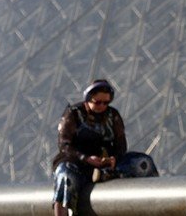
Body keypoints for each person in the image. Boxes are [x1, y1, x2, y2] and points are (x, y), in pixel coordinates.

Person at [51, 79, 157, 216]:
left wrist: (114, 159)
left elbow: (121, 145)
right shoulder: (73, 114)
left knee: (143, 163)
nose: (102, 106)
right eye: (98, 102)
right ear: (88, 99)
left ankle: (155, 208)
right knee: (66, 178)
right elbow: (65, 146)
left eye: (106, 102)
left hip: (106, 165)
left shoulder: (113, 115)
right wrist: (87, 159)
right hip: (77, 164)